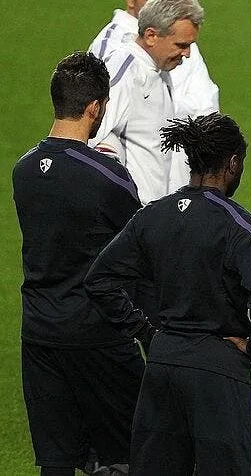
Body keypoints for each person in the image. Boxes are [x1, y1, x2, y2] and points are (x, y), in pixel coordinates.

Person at [84, 113, 251, 475]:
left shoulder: (153, 215)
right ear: (233, 163)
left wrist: (145, 333)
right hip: (218, 370)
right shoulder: (237, 222)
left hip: (161, 366)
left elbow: (99, 279)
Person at [13, 52, 143, 476]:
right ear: (95, 108)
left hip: (39, 333)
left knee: (55, 459)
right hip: (97, 336)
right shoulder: (107, 175)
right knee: (127, 453)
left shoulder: (24, 171)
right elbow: (138, 250)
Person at [89, 0, 206, 203]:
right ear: (151, 36)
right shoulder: (124, 72)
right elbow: (86, 138)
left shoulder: (160, 71)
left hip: (150, 217)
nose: (187, 54)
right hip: (126, 220)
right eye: (181, 45)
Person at [88, 0, 219, 119]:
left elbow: (207, 106)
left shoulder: (181, 40)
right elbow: (100, 117)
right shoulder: (110, 47)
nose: (162, 6)